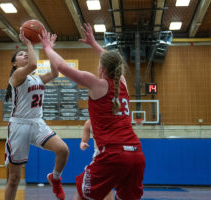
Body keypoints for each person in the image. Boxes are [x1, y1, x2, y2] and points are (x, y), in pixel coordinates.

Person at [40, 24, 146, 200]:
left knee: (82, 196)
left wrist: (47, 48)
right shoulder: (122, 83)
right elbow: (113, 60)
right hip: (136, 154)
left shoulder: (97, 85)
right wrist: (94, 44)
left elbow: (62, 66)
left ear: (102, 69)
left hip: (113, 154)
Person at [4, 29, 69, 200]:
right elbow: (33, 64)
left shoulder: (37, 79)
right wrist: (28, 43)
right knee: (14, 179)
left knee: (63, 150)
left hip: (37, 123)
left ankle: (55, 178)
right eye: (21, 55)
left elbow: (55, 73)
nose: (25, 55)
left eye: (26, 53)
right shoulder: (17, 76)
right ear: (14, 64)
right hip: (19, 125)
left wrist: (49, 49)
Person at [80, 119, 113, 200]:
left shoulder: (112, 120)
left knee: (107, 186)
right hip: (99, 155)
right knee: (104, 187)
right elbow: (83, 141)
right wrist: (83, 144)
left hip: (113, 154)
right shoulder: (89, 123)